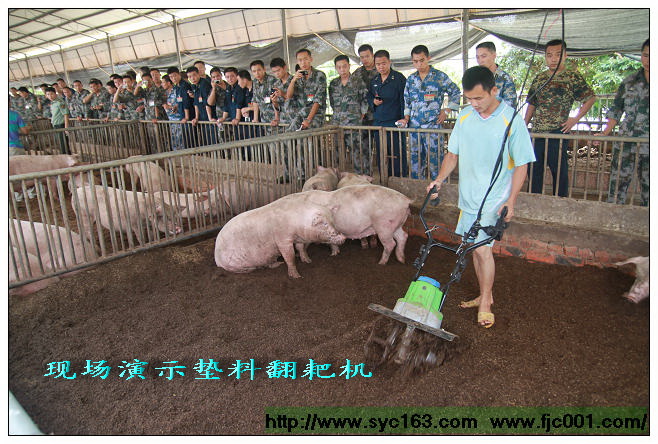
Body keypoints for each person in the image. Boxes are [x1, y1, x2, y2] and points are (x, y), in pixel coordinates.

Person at [427, 66, 535, 328]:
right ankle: (485, 293)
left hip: (494, 198)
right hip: (469, 197)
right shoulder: (465, 116)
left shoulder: (511, 119)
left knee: (483, 250)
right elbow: (453, 154)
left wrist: (511, 200)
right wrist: (439, 180)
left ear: (493, 91)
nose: (474, 104)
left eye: (479, 98)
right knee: (473, 248)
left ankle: (486, 301)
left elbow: (522, 164)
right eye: (469, 99)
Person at [524, 39, 597, 197]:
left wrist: (575, 119)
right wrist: (524, 126)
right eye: (549, 55)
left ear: (565, 55)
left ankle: (561, 202)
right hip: (537, 133)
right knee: (534, 170)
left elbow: (590, 98)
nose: (553, 59)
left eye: (558, 54)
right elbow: (532, 104)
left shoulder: (572, 77)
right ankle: (535, 200)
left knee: (559, 171)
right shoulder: (540, 78)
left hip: (558, 132)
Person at [597, 39, 649, 206]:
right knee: (617, 186)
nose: (648, 60)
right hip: (626, 142)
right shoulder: (629, 81)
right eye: (646, 55)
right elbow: (616, 110)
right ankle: (612, 217)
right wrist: (605, 133)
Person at [401, 44, 461, 179]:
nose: (419, 64)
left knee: (436, 161)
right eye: (415, 61)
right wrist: (406, 118)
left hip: (433, 126)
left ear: (428, 58)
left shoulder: (439, 77)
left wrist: (447, 110)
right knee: (416, 161)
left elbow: (456, 92)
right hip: (415, 128)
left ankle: (439, 187)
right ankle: (418, 188)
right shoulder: (411, 79)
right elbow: (407, 101)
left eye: (422, 60)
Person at [367, 49, 407, 177]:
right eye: (378, 64)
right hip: (379, 122)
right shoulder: (374, 80)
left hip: (394, 122)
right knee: (381, 152)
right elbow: (369, 96)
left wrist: (404, 119)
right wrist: (373, 101)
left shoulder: (399, 78)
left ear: (389, 62)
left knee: (397, 153)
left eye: (383, 63)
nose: (381, 67)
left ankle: (399, 178)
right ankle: (384, 178)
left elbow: (404, 100)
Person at [329, 54, 369, 173]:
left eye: (344, 66)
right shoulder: (333, 84)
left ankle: (360, 177)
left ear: (349, 66)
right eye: (339, 67)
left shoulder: (358, 82)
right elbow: (332, 102)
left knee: (357, 152)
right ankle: (339, 177)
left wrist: (361, 114)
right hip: (338, 124)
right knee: (337, 153)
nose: (342, 69)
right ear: (336, 68)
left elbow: (365, 100)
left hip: (354, 124)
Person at [285, 48, 327, 131]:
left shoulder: (319, 75)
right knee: (289, 133)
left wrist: (308, 119)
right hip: (301, 114)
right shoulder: (297, 77)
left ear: (311, 59)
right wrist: (293, 81)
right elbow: (288, 96)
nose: (303, 62)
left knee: (310, 136)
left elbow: (318, 100)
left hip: (316, 115)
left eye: (305, 59)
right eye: (300, 60)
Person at [475, 41, 517, 107]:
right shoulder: (475, 78)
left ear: (494, 56)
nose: (480, 60)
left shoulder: (505, 79)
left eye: (483, 56)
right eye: (477, 57)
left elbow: (510, 106)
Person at [187, 66, 214, 145]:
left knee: (213, 141)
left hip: (210, 117)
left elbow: (207, 103)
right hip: (202, 117)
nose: (192, 78)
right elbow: (196, 103)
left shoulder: (204, 84)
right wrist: (196, 117)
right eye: (190, 77)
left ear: (199, 74)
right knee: (206, 141)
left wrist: (210, 118)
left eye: (194, 75)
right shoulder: (195, 86)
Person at [270, 57, 294, 128]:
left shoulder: (295, 81)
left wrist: (283, 94)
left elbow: (299, 100)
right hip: (283, 122)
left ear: (284, 67)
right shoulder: (275, 85)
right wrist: (274, 102)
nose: (277, 73)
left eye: (278, 70)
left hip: (295, 119)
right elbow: (277, 106)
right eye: (274, 72)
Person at [45, 87, 70, 154]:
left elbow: (66, 114)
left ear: (55, 93)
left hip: (61, 125)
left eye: (51, 94)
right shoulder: (53, 103)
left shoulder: (60, 102)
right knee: (61, 144)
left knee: (64, 144)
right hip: (56, 125)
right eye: (48, 94)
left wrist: (66, 128)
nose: (50, 96)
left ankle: (67, 157)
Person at [206, 67, 228, 140]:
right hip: (220, 118)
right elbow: (210, 103)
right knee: (222, 139)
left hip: (231, 117)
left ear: (221, 75)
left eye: (218, 76)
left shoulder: (228, 85)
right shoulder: (213, 89)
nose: (216, 78)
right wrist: (214, 88)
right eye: (213, 77)